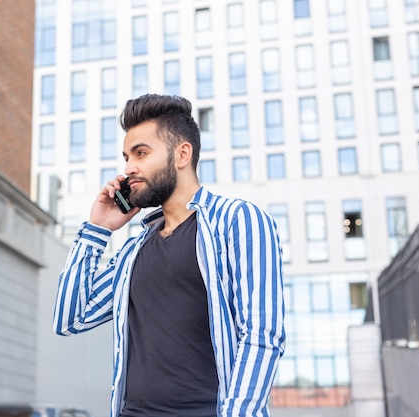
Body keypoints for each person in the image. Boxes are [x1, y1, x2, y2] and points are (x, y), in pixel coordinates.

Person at [54, 94, 285, 417]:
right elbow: (70, 318)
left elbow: (261, 335)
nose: (129, 168)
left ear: (182, 154)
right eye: (126, 157)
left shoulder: (237, 220)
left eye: (141, 153)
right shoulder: (135, 248)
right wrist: (98, 228)